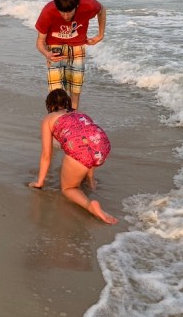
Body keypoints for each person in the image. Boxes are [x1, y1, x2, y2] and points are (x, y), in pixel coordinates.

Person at [29, 89, 117, 224]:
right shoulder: (81, 113)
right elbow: (89, 140)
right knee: (88, 145)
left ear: (50, 105)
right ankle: (90, 181)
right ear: (68, 102)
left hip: (79, 151)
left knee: (69, 188)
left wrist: (40, 182)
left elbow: (47, 155)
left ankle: (90, 206)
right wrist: (90, 178)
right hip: (102, 146)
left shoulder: (48, 118)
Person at [35, 0, 106, 110]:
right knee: (56, 93)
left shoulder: (88, 5)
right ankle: (56, 119)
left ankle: (72, 118)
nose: (66, 16)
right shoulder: (48, 11)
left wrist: (100, 35)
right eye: (62, 12)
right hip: (55, 49)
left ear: (76, 6)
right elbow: (40, 42)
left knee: (75, 90)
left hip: (77, 47)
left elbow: (102, 10)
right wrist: (47, 53)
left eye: (69, 12)